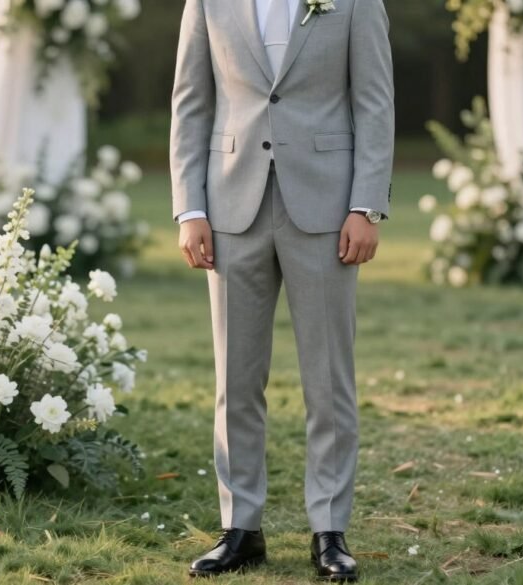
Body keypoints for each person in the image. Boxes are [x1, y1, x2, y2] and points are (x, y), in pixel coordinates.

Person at [169, 0, 394, 580]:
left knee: (328, 377)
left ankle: (329, 529)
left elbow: (374, 102)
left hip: (326, 209)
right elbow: (192, 103)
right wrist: (189, 207)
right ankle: (240, 527)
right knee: (235, 378)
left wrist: (366, 204)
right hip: (228, 208)